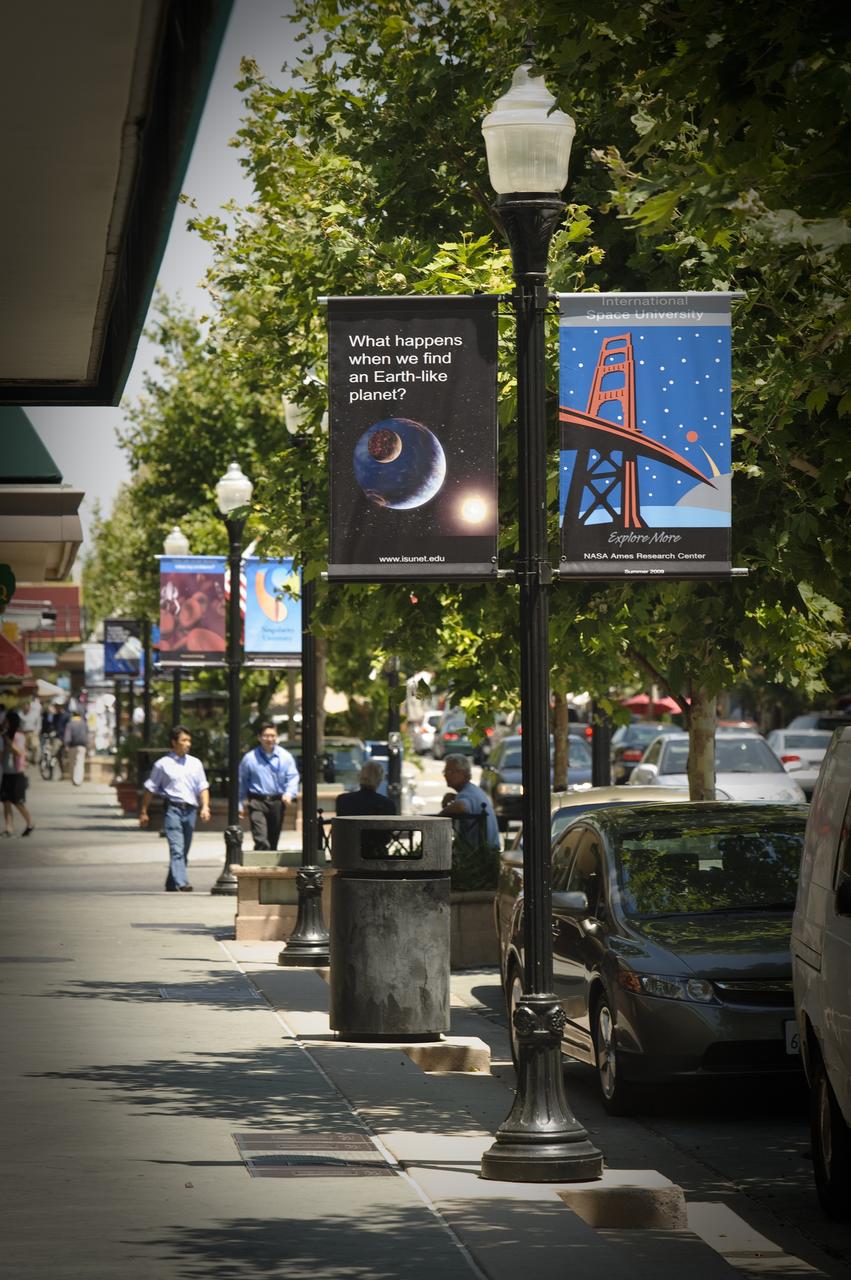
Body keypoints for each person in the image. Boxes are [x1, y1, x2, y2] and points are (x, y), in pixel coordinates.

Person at [139, 725, 210, 891]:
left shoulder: (195, 763)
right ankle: (182, 883)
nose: (188, 744)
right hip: (173, 809)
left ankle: (171, 882)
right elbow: (150, 788)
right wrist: (143, 811)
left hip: (191, 810)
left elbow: (203, 787)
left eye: (189, 740)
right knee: (177, 848)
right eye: (184, 740)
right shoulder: (162, 764)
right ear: (174, 742)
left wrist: (205, 807)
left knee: (184, 849)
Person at [238, 723, 299, 852]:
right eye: (266, 736)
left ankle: (268, 868)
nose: (270, 739)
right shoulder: (249, 758)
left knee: (273, 838)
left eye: (273, 735)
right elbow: (242, 781)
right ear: (259, 737)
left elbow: (293, 777)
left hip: (277, 801)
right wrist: (241, 803)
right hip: (257, 801)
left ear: (277, 737)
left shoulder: (285, 757)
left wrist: (289, 793)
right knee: (261, 837)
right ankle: (260, 866)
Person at [439, 753, 500, 849]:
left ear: (463, 773)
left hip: (480, 855)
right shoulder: (471, 790)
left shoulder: (466, 793)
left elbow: (462, 807)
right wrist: (455, 798)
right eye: (445, 771)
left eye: (450, 771)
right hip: (488, 850)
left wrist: (441, 814)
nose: (445, 775)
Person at [2, 711, 35, 837]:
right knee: (5, 800)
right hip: (6, 771)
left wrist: (7, 740)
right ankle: (9, 828)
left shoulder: (18, 735)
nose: (4, 722)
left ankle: (30, 822)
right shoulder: (5, 735)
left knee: (17, 802)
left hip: (17, 772)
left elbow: (19, 752)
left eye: (6, 720)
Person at [63, 709, 88, 786]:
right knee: (80, 763)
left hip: (72, 746)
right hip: (82, 746)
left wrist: (66, 745)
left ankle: (74, 779)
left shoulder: (70, 724)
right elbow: (87, 735)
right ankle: (78, 780)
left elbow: (67, 736)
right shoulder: (84, 724)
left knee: (72, 763)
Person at [19, 697, 43, 763]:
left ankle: (34, 760)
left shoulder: (35, 714)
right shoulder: (20, 714)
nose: (25, 707)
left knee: (36, 747)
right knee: (24, 748)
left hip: (32, 733)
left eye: (27, 706)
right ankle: (24, 761)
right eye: (24, 706)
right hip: (23, 733)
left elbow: (38, 724)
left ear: (29, 706)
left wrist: (36, 732)